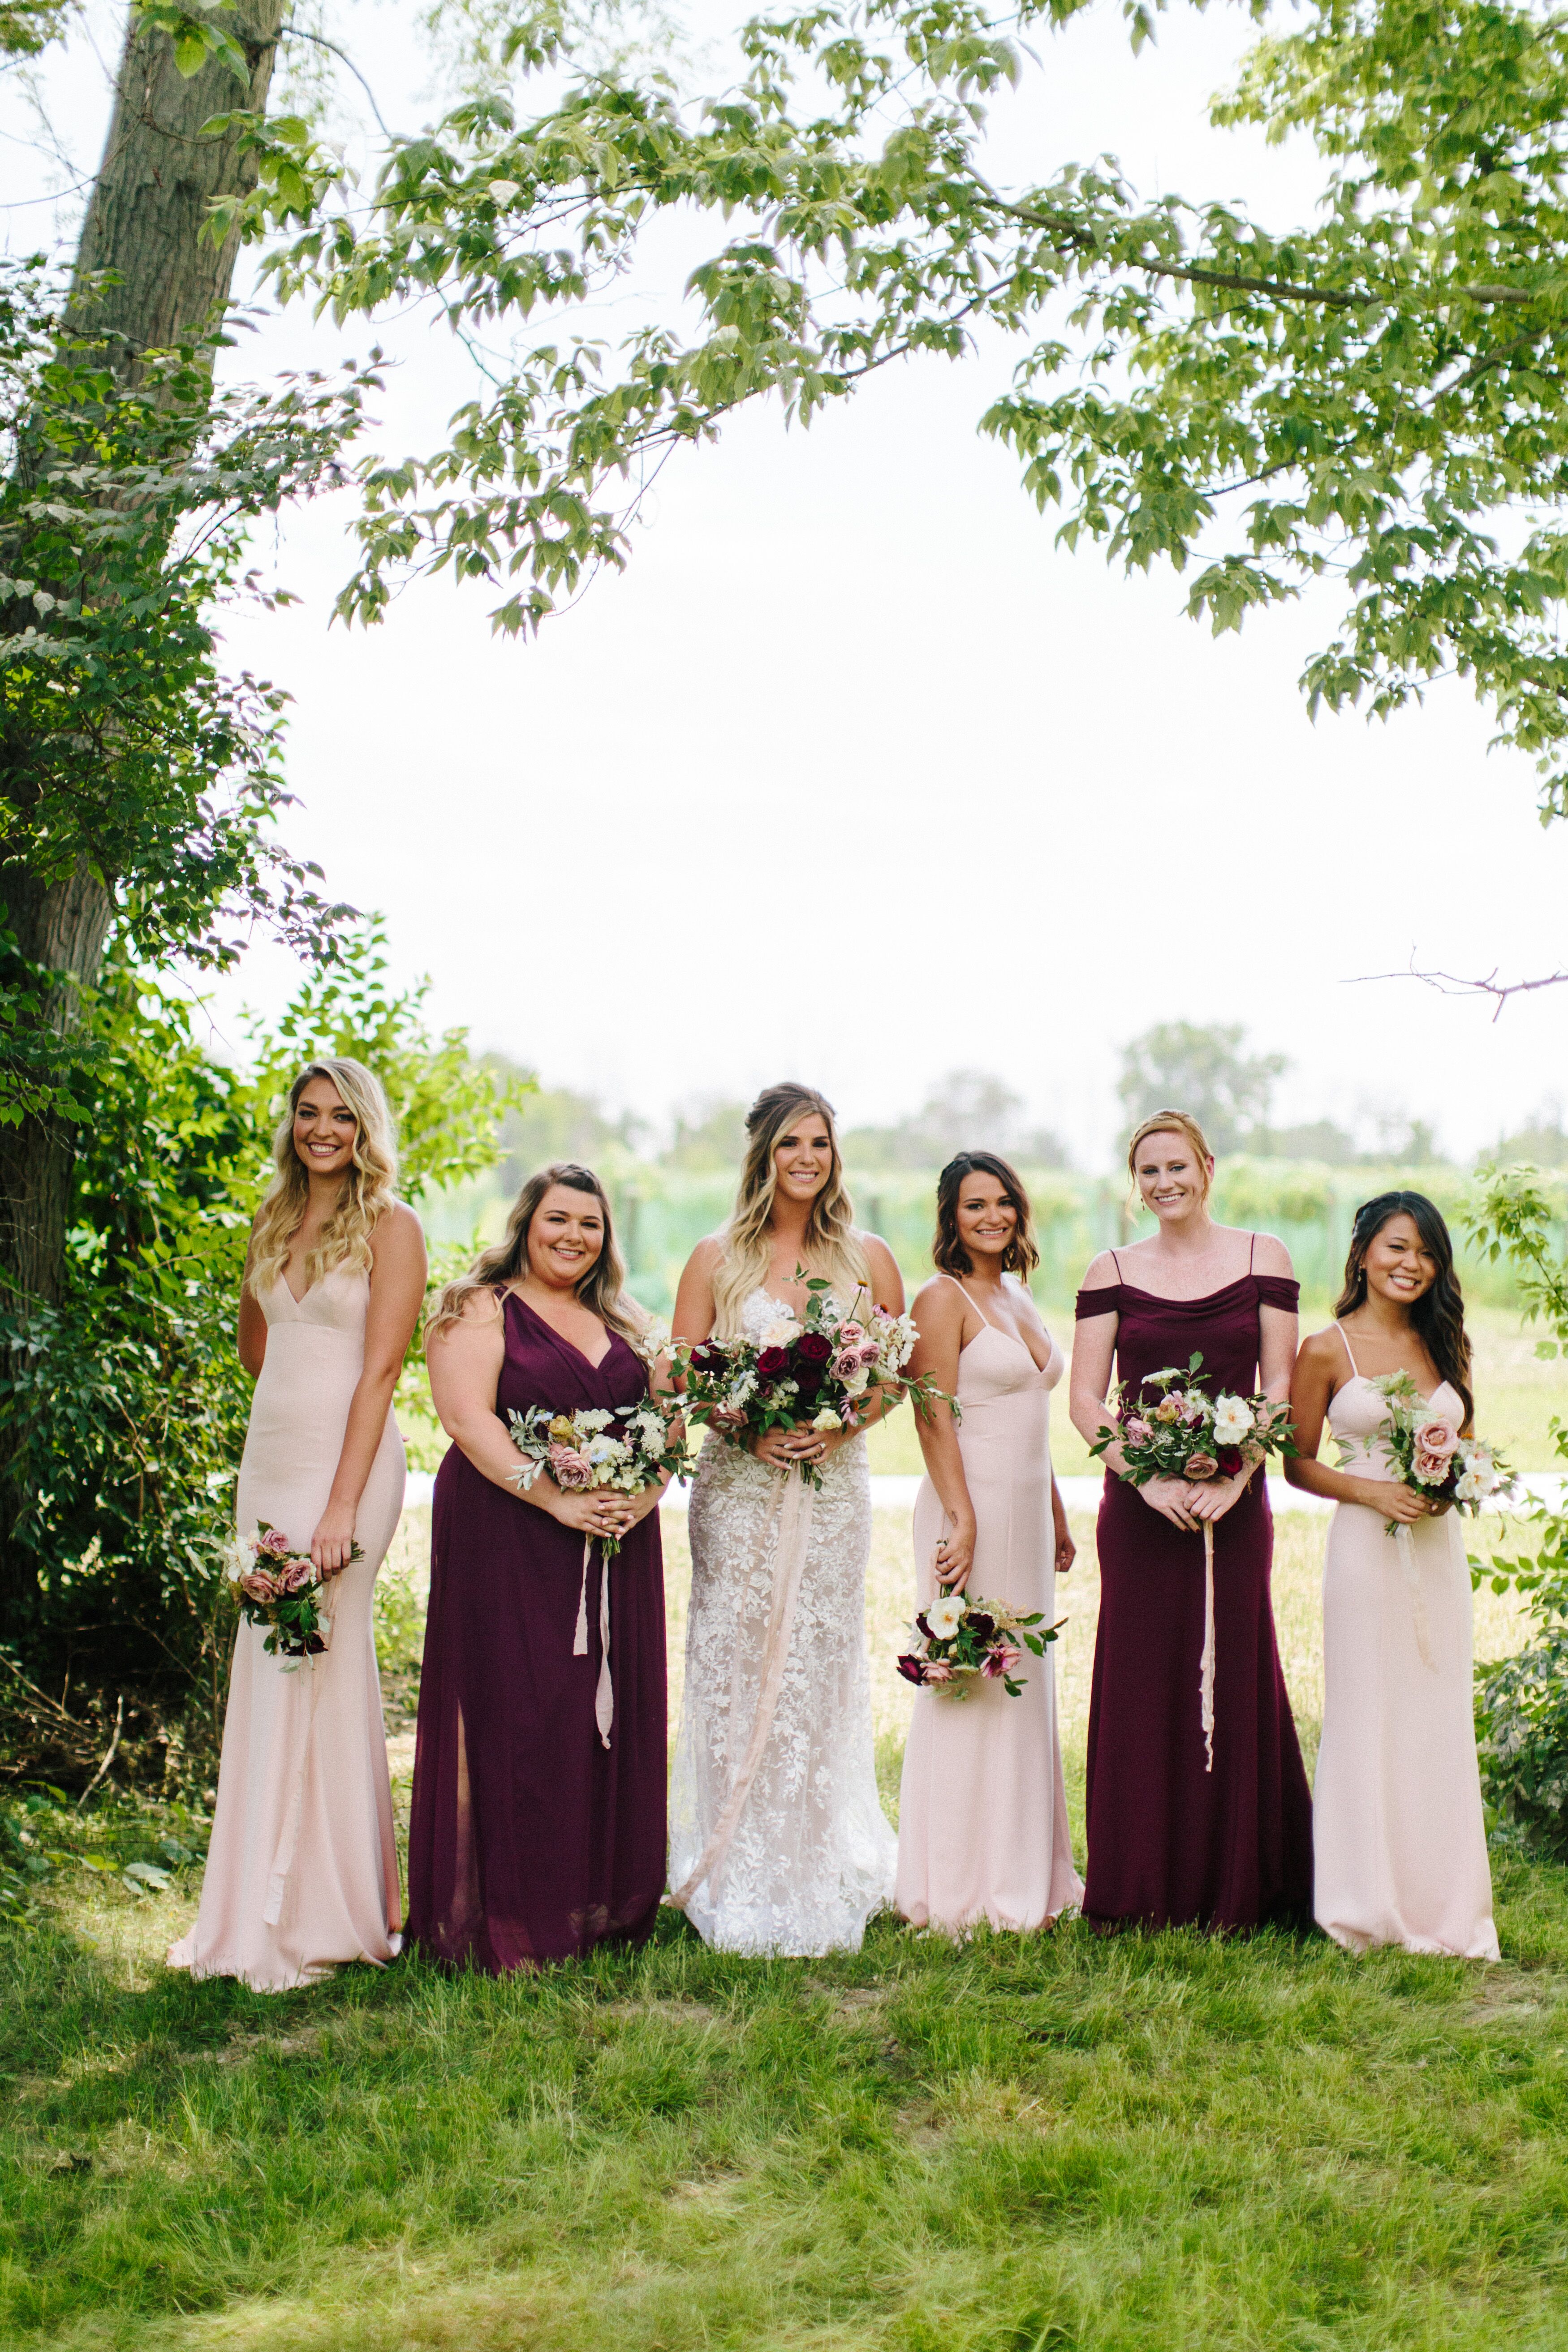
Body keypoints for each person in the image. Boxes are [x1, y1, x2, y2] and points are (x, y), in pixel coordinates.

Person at [169, 1060, 426, 1991]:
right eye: (308, 1114)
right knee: (266, 1665)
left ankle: (331, 1909)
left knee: (325, 1658)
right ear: (292, 1125)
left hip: (347, 1474)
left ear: (366, 1129)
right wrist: (283, 1444)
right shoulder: (271, 1220)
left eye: (341, 1117)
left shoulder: (394, 1228)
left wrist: (341, 1506)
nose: (323, 1130)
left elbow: (382, 1372)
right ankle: (248, 1909)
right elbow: (258, 1352)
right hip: (270, 1469)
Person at [409, 1163, 669, 1971]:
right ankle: (513, 1913)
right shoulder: (478, 1307)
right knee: (518, 1709)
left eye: (590, 1224)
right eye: (559, 1219)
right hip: (509, 1532)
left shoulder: (626, 1318)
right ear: (526, 1223)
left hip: (613, 1540)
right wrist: (557, 1499)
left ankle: (594, 1900)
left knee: (597, 1719)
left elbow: (670, 1422)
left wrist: (645, 1496)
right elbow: (466, 1419)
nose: (573, 1236)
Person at [667, 1083, 901, 1954]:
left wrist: (841, 1423)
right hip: (739, 1488)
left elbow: (891, 1379)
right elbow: (686, 1373)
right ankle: (733, 1858)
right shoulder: (715, 1259)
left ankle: (807, 1854)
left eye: (820, 1144)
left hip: (834, 1490)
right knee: (736, 1660)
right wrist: (742, 1422)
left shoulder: (867, 1258)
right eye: (790, 1144)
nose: (807, 1158)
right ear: (763, 1155)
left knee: (816, 1662)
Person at [1070, 1109, 1313, 1932]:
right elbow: (1083, 1397)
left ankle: (1242, 1885)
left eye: (1178, 1166)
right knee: (1144, 1681)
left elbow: (1277, 1385)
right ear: (1134, 1184)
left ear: (1208, 1167)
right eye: (1149, 1172)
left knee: (1235, 1668)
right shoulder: (1111, 1267)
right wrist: (1142, 1478)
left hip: (1234, 1506)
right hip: (1140, 1511)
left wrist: (1238, 1475)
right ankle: (1141, 1886)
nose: (1165, 1183)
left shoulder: (1261, 1256)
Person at [1288, 1193, 1499, 1959]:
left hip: (1437, 1556)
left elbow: (1467, 1446)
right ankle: (1362, 1902)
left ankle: (1443, 1902)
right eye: (1398, 1247)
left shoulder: (1447, 1344)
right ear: (1364, 1251)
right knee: (1367, 1712)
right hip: (1365, 1552)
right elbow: (1297, 1461)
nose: (1412, 1264)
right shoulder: (1325, 1349)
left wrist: (1454, 1486)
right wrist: (1372, 1489)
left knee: (1434, 1716)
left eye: (1426, 1252)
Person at [896, 1151, 1083, 1934]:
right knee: (969, 1682)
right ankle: (961, 1884)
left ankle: (1027, 1872)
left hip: (1026, 1514)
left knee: (1023, 1684)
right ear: (951, 1215)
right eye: (975, 1205)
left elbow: (1029, 1420)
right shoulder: (941, 1298)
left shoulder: (1017, 1293)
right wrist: (961, 1516)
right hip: (967, 1508)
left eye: (1004, 1202)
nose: (993, 1217)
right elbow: (931, 1411)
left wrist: (1057, 1507)